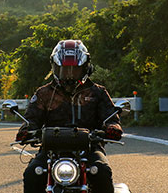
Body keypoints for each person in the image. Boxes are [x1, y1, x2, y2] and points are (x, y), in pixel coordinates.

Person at [16, 39, 123, 193]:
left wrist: (113, 128)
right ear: (55, 67)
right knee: (33, 172)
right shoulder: (44, 93)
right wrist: (26, 131)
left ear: (85, 68)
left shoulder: (97, 92)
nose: (69, 75)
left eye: (75, 70)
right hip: (50, 149)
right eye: (65, 70)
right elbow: (32, 118)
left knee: (101, 171)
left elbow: (110, 117)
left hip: (90, 148)